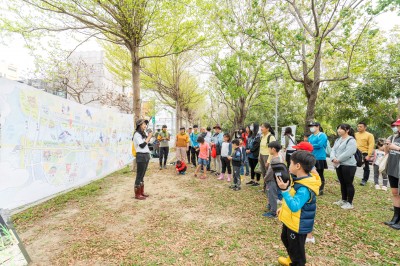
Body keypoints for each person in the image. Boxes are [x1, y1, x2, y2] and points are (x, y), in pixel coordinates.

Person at [276, 151, 320, 266]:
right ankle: (291, 258)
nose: (289, 165)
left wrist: (284, 190)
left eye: (290, 163)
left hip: (298, 225)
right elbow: (292, 198)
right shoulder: (297, 179)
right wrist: (283, 208)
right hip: (291, 221)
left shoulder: (304, 188)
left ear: (298, 166)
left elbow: (295, 206)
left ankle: (297, 262)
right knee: (285, 239)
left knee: (297, 249)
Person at [330, 124, 358, 210]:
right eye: (338, 128)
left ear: (347, 130)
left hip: (348, 165)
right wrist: (333, 158)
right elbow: (333, 150)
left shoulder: (351, 140)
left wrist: (338, 159)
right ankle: (343, 199)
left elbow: (349, 152)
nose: (339, 130)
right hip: (339, 164)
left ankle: (350, 202)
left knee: (348, 183)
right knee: (342, 182)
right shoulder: (338, 140)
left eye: (341, 129)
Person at [384, 119, 400, 229]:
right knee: (395, 192)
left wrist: (397, 148)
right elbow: (386, 152)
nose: (397, 128)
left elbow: (396, 149)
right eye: (397, 126)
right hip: (392, 167)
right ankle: (395, 217)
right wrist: (387, 145)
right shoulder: (393, 137)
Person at [133, 119, 153, 200]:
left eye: (145, 124)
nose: (145, 125)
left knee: (142, 175)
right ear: (140, 125)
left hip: (145, 155)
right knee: (139, 175)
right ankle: (137, 194)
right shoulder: (137, 134)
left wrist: (148, 137)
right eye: (144, 124)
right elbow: (141, 145)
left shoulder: (142, 134)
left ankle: (141, 192)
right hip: (141, 155)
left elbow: (146, 144)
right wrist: (149, 137)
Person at [263, 141, 283, 218]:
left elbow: (270, 172)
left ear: (273, 149)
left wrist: (265, 178)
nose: (268, 150)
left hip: (272, 180)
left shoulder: (275, 160)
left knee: (272, 195)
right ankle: (270, 206)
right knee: (270, 194)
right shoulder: (277, 157)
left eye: (269, 148)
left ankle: (273, 212)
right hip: (274, 179)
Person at [308, 122, 328, 195]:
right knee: (311, 173)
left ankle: (320, 189)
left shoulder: (322, 135)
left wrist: (310, 145)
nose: (311, 128)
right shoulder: (310, 136)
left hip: (320, 157)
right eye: (310, 126)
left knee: (320, 173)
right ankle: (313, 187)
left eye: (312, 126)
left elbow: (320, 145)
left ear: (318, 127)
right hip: (311, 156)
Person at [355, 122, 375, 186]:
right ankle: (347, 178)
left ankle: (364, 180)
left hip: (364, 153)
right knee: (351, 165)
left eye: (361, 126)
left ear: (365, 127)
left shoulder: (369, 135)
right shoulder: (355, 134)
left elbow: (371, 145)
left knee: (366, 167)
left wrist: (369, 155)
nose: (359, 128)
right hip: (355, 152)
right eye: (358, 126)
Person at [259, 123, 276, 190]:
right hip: (261, 155)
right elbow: (260, 147)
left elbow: (273, 150)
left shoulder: (271, 137)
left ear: (267, 128)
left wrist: (268, 161)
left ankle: (270, 188)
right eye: (261, 127)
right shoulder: (262, 136)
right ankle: (265, 187)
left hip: (267, 156)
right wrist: (259, 157)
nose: (261, 128)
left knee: (269, 173)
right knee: (263, 173)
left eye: (263, 127)